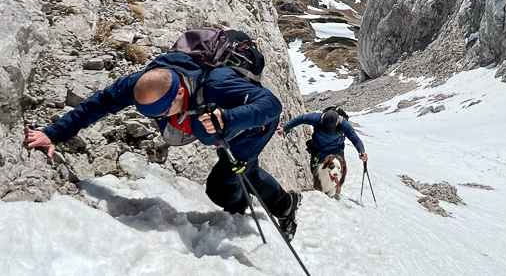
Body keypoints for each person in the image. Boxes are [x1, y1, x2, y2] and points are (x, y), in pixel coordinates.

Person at [23, 50, 303, 240]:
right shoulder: (142, 84)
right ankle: (247, 200)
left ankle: (284, 205)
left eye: (163, 112)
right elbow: (99, 104)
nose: (158, 120)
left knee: (226, 182)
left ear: (180, 92)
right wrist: (54, 133)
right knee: (225, 164)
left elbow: (271, 106)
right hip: (214, 119)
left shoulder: (219, 85)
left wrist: (229, 118)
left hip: (251, 127)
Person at [279, 108, 366, 189]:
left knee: (341, 171)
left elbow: (355, 139)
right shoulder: (316, 118)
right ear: (322, 120)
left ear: (337, 123)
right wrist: (285, 128)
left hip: (336, 150)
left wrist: (362, 152)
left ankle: (336, 190)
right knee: (316, 172)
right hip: (319, 149)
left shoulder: (344, 125)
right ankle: (319, 191)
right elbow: (300, 119)